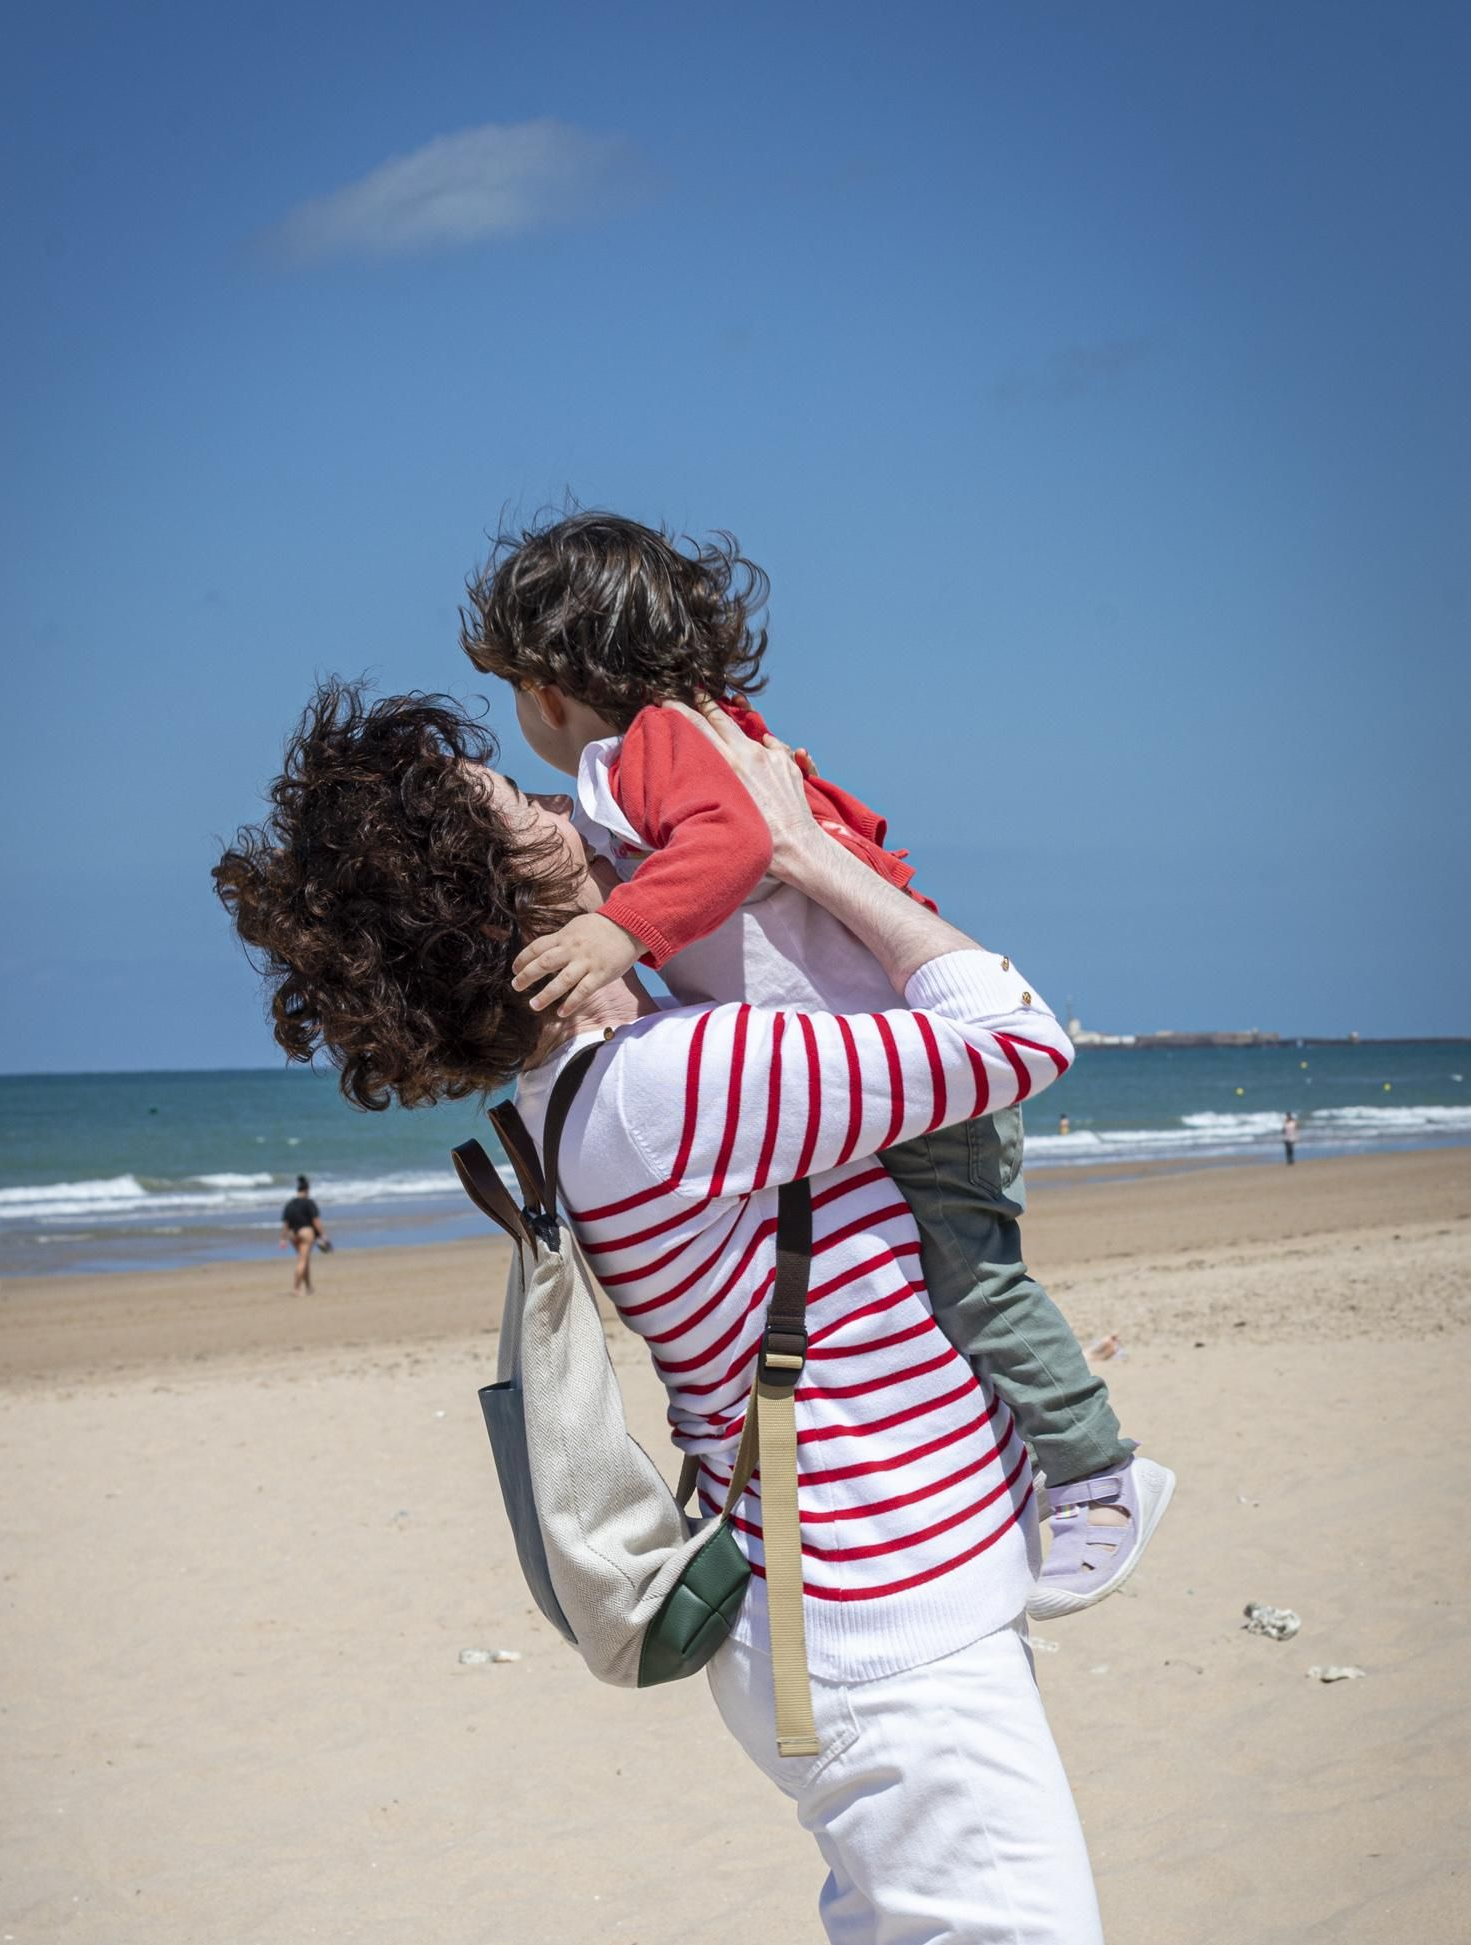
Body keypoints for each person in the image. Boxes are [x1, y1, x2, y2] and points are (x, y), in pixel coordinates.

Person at [215, 682, 1123, 1945]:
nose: (573, 815)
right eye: (520, 816)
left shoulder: (614, 1082)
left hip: (837, 1616)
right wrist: (799, 854)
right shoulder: (668, 1085)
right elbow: (1013, 1034)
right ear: (507, 910)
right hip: (887, 1633)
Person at [462, 512, 1171, 1614]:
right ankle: (1000, 1483)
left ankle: (1099, 1474)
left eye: (511, 693)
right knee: (914, 1290)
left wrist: (615, 933)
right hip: (872, 1074)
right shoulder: (647, 767)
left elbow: (735, 845)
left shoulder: (653, 747)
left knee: (974, 1283)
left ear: (547, 685)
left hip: (924, 1069)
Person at [279, 1173, 329, 1294]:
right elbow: (315, 1221)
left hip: (293, 1234)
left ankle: (308, 1287)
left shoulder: (289, 1204)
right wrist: (323, 1235)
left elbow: (286, 1224)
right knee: (302, 1260)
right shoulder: (309, 1203)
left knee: (304, 1259)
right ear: (307, 1190)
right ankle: (296, 1288)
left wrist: (282, 1238)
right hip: (306, 1232)